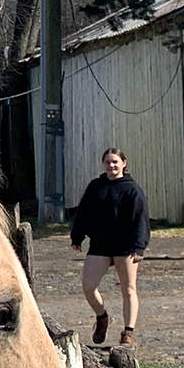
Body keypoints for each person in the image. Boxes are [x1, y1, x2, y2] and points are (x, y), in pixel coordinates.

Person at [70, 147, 150, 346]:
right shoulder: (96, 186)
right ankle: (102, 317)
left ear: (124, 163)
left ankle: (128, 333)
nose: (111, 165)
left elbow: (140, 219)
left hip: (126, 247)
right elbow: (84, 212)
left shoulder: (132, 189)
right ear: (103, 164)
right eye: (108, 162)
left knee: (128, 289)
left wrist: (139, 246)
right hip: (100, 245)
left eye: (115, 161)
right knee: (89, 287)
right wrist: (77, 236)